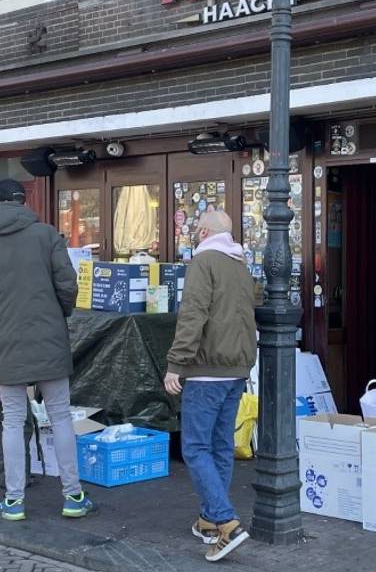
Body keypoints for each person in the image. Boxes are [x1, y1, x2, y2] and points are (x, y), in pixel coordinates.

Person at [0, 178, 94, 521]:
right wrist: (56, 312)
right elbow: (68, 284)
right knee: (61, 416)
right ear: (22, 202)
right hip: (48, 336)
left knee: (14, 420)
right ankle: (73, 496)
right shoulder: (47, 234)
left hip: (6, 338)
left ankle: (14, 501)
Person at [163, 209, 257, 563]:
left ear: (203, 231)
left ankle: (226, 523)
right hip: (236, 368)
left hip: (206, 370)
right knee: (220, 446)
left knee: (195, 448)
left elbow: (193, 314)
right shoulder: (240, 265)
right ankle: (207, 520)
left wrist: (177, 363)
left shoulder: (204, 263)